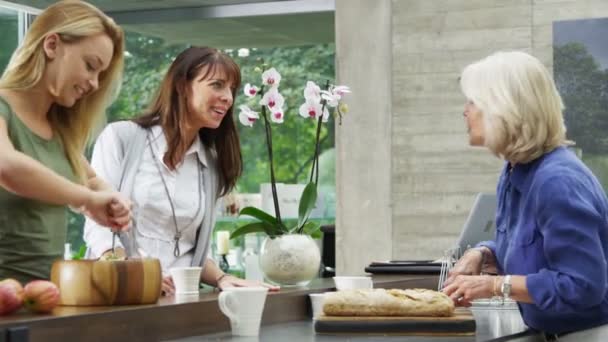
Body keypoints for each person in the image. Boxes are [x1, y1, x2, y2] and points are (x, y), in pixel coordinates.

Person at [84, 46, 278, 294]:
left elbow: (193, 250)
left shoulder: (210, 165)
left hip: (178, 300)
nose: (228, 97)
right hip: (120, 295)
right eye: (217, 85)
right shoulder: (121, 138)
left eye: (231, 89)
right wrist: (137, 273)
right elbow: (96, 225)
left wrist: (221, 278)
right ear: (182, 86)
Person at [442, 51, 608, 341]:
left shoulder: (557, 181)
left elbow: (582, 286)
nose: (464, 111)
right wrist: (482, 253)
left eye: (473, 101)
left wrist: (494, 286)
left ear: (504, 109)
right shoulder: (514, 170)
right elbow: (532, 245)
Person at [0, 1, 132, 284]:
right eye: (90, 66)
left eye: (100, 74)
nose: (95, 83)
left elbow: (91, 179)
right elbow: (7, 166)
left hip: (43, 300)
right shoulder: (3, 108)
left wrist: (112, 200)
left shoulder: (57, 130)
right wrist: (87, 199)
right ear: (51, 45)